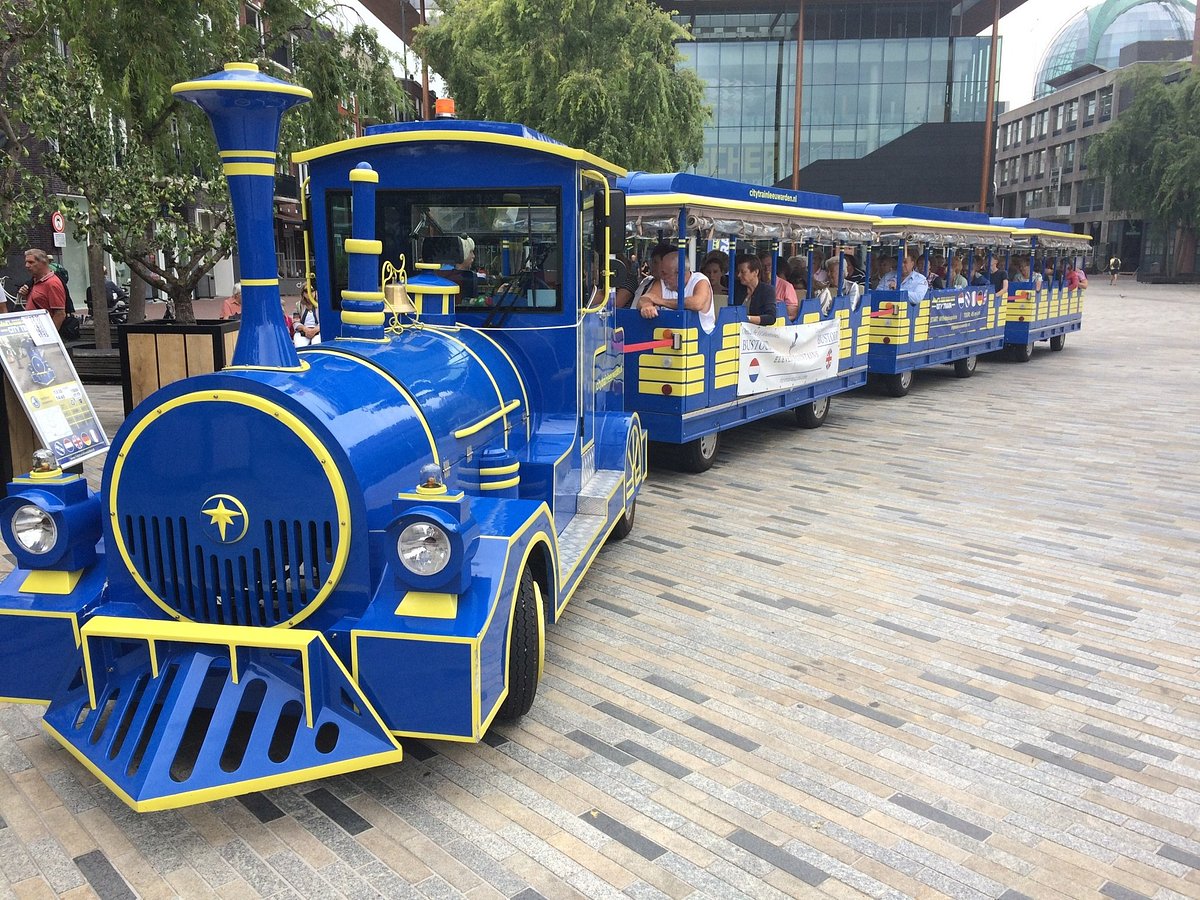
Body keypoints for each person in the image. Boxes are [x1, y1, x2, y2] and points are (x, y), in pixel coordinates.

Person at [638, 250, 715, 334]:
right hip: (668, 336)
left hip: (701, 339)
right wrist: (647, 306)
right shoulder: (662, 282)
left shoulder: (700, 281)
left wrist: (661, 301)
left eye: (665, 273)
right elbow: (645, 298)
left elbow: (697, 303)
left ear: (680, 274)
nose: (661, 276)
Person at [18, 249, 67, 333]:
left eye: (31, 262)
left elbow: (60, 313)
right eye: (26, 262)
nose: (27, 265)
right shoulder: (35, 280)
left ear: (43, 263)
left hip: (44, 332)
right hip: (35, 330)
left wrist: (50, 336)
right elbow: (41, 302)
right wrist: (26, 296)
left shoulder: (52, 283)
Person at [734, 255, 776, 326]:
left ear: (756, 272)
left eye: (743, 272)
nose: (739, 275)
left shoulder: (767, 290)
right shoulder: (737, 288)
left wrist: (747, 318)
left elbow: (771, 318)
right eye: (738, 272)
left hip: (757, 333)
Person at [758, 250, 798, 318]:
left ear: (774, 266)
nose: (766, 269)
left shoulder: (786, 286)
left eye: (769, 265)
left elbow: (792, 314)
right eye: (763, 266)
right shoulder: (755, 286)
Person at [293, 283, 321, 347]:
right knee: (299, 346)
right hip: (303, 332)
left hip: (318, 331)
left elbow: (325, 320)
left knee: (317, 345)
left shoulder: (321, 304)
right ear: (303, 293)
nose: (309, 293)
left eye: (312, 290)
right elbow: (295, 322)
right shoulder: (298, 305)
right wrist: (305, 329)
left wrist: (315, 330)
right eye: (306, 291)